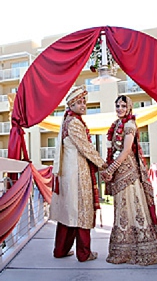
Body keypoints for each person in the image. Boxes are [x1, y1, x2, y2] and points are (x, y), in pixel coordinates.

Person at [100, 95, 157, 265]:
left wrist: (110, 168)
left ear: (129, 107)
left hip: (129, 171)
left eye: (123, 106)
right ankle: (124, 247)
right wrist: (109, 167)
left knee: (132, 204)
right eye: (117, 105)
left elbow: (125, 150)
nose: (119, 108)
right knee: (121, 207)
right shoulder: (117, 124)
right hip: (119, 172)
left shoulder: (130, 124)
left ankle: (141, 247)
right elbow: (114, 149)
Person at [50, 85, 108, 262]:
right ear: (71, 105)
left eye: (84, 102)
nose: (84, 105)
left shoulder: (69, 120)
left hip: (70, 174)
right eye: (80, 102)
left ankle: (60, 250)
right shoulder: (74, 123)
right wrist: (103, 165)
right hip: (76, 174)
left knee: (68, 213)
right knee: (82, 212)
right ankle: (84, 253)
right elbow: (86, 148)